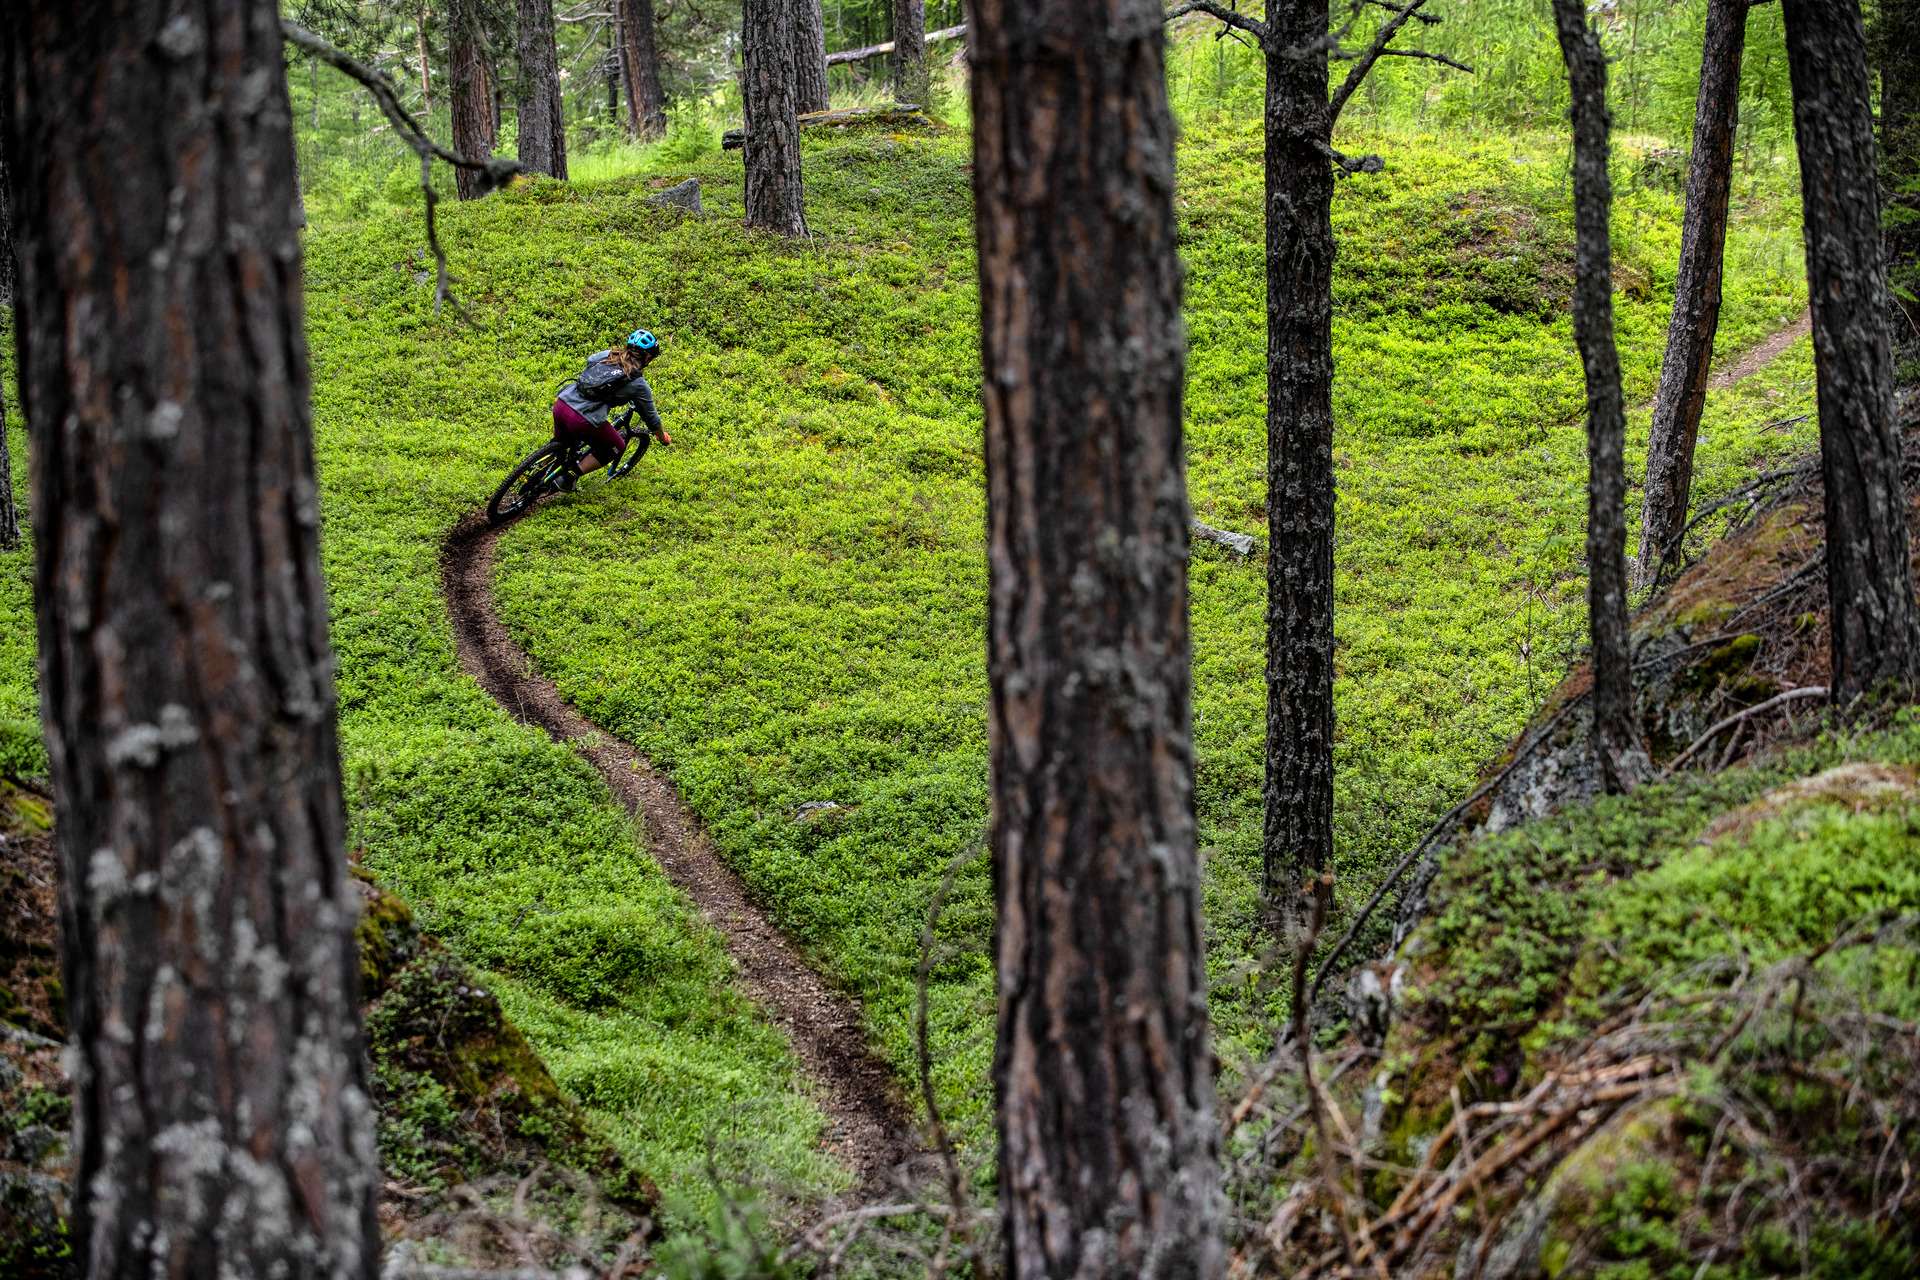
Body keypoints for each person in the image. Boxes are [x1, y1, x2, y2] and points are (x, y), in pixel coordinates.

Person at [552, 329, 672, 490]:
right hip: (582, 419)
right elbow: (652, 419)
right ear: (648, 357)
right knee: (615, 446)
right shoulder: (638, 383)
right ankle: (567, 478)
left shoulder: (609, 354)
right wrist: (662, 438)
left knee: (560, 443)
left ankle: (532, 470)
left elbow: (590, 361)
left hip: (562, 403)